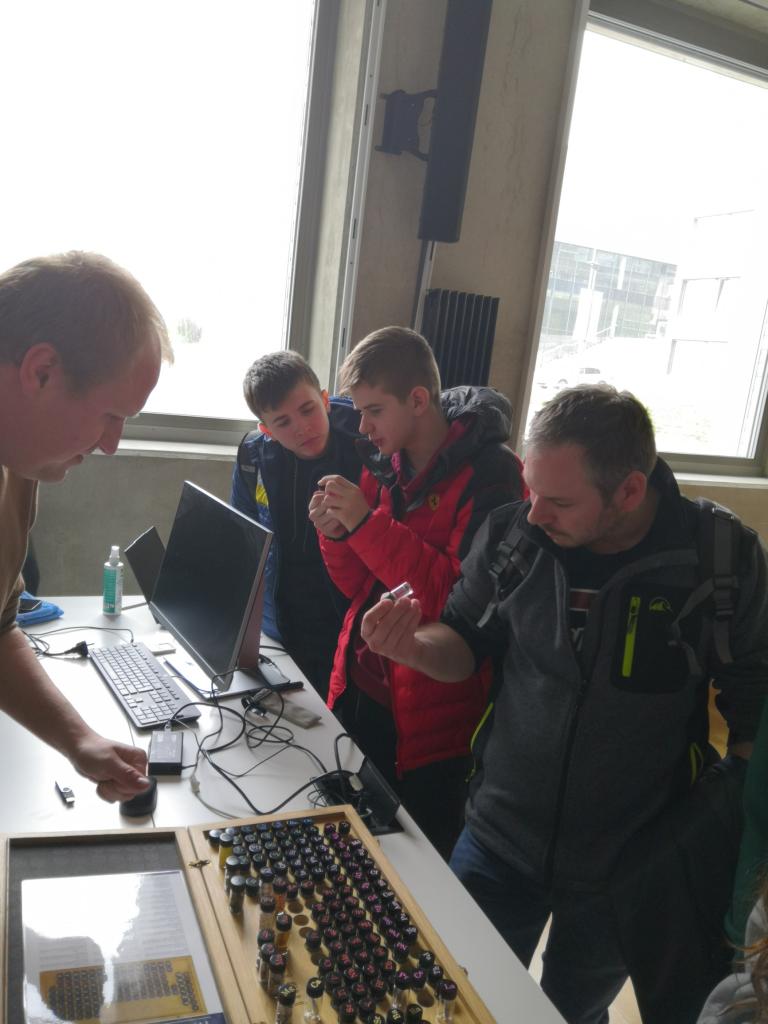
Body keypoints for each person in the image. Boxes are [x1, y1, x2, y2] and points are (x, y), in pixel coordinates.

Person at [360, 384, 768, 1023]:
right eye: (531, 489)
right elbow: (463, 642)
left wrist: (710, 834)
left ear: (628, 492)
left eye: (559, 501)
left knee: (571, 1013)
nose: (534, 514)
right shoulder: (512, 536)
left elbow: (754, 697)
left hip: (628, 863)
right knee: (456, 998)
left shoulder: (719, 558)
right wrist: (410, 646)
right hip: (497, 838)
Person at [308, 326, 524, 858]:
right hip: (359, 687)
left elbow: (455, 601)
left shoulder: (492, 475)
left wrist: (364, 524)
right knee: (349, 852)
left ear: (419, 400)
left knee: (416, 866)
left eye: (374, 410)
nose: (363, 426)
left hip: (431, 719)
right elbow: (357, 586)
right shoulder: (386, 461)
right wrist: (337, 533)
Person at [0, 250, 172, 803]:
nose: (111, 445)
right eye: (110, 416)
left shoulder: (19, 461)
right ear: (41, 372)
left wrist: (78, 740)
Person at [230, 351, 362, 698]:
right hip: (282, 624)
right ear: (266, 430)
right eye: (283, 422)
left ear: (325, 400)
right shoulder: (252, 457)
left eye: (307, 409)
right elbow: (243, 540)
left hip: (348, 623)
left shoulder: (367, 443)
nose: (302, 427)